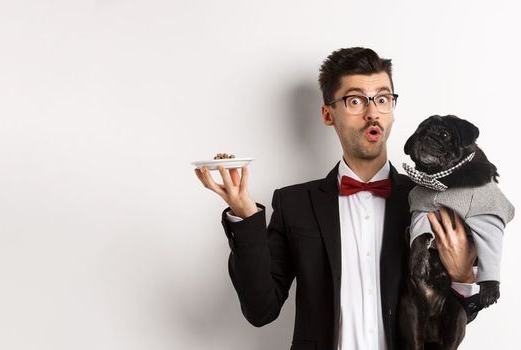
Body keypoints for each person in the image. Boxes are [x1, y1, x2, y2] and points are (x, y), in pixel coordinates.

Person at [194, 47, 485, 350]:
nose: (372, 113)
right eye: (355, 100)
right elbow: (260, 310)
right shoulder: (294, 204)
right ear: (328, 114)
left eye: (383, 99)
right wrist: (245, 216)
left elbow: (443, 319)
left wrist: (463, 278)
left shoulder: (429, 201)